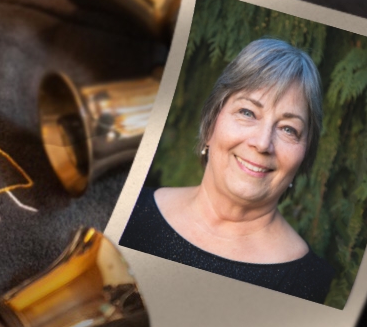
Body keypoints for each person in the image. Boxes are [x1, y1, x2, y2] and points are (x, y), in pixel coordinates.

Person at [119, 38, 335, 304]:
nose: (262, 143)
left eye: (288, 129)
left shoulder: (310, 284)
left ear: (304, 156)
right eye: (247, 112)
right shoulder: (129, 209)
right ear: (211, 123)